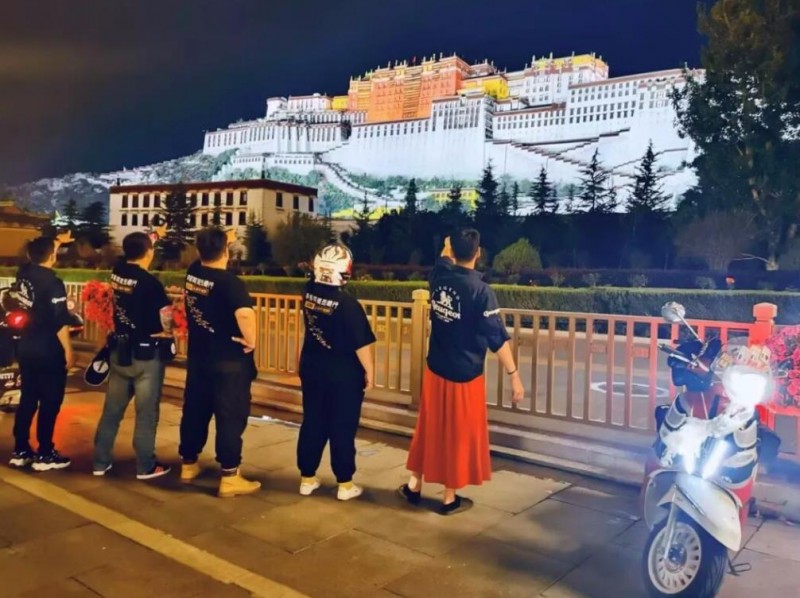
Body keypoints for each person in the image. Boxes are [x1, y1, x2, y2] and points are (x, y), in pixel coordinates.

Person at [400, 229, 525, 515]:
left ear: (451, 251)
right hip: (465, 374)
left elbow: (443, 259)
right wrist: (514, 374)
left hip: (436, 369)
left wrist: (448, 247)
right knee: (457, 434)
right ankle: (448, 498)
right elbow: (497, 338)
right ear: (478, 253)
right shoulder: (481, 291)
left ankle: (415, 485)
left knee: (429, 427)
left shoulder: (438, 276)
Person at [178, 227, 260, 498]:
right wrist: (251, 340)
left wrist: (223, 239)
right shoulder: (229, 283)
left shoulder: (194, 273)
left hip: (199, 358)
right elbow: (245, 315)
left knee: (195, 410)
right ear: (226, 251)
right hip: (229, 361)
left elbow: (204, 256)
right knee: (230, 416)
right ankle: (230, 476)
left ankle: (188, 465)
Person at [296, 243, 376, 501]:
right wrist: (370, 372)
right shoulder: (348, 304)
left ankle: (307, 478)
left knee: (313, 421)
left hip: (312, 368)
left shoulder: (308, 293)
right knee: (342, 425)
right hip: (343, 374)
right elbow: (361, 344)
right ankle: (345, 483)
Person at [92, 229, 173, 480]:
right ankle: (145, 465)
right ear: (148, 253)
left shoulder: (117, 272)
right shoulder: (151, 284)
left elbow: (138, 246)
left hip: (120, 351)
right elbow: (166, 317)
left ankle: (100, 462)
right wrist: (168, 332)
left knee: (112, 411)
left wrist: (155, 235)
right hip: (146, 355)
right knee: (146, 413)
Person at [9, 232, 75, 471]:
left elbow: (37, 253)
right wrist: (68, 349)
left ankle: (21, 449)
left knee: (28, 399)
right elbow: (59, 320)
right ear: (53, 256)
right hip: (48, 349)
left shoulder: (24, 275)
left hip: (26, 346)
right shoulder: (53, 283)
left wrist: (55, 242)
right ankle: (45, 453)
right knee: (50, 401)